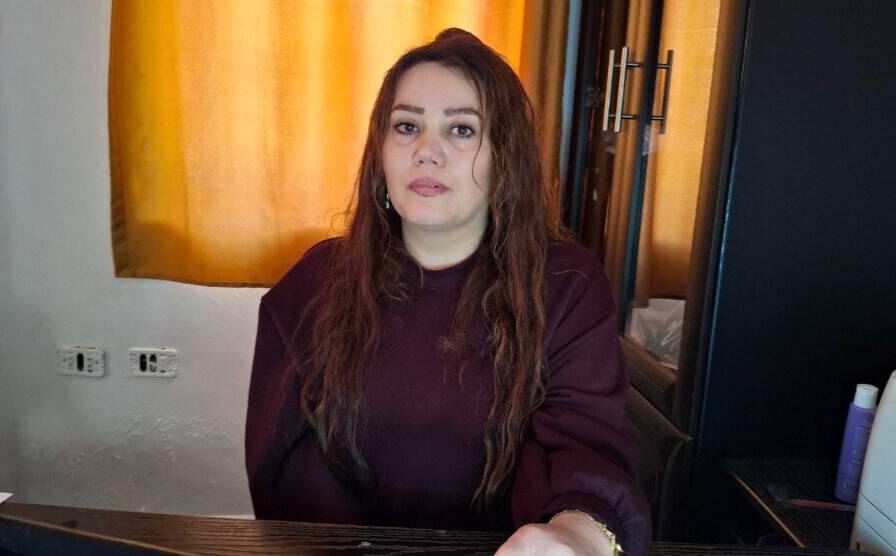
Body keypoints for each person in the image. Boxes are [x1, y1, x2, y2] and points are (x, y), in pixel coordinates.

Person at [245, 28, 652, 555]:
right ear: (380, 152)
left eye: (461, 129)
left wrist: (573, 536)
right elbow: (281, 469)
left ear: (504, 156)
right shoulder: (315, 282)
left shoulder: (566, 286)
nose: (426, 152)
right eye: (406, 126)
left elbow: (585, 446)